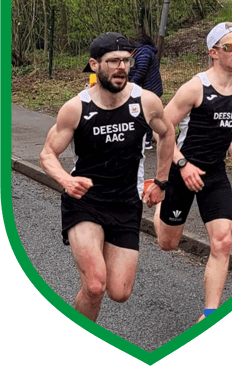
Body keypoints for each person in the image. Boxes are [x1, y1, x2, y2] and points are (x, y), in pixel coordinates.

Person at [40, 32, 174, 322]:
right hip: (85, 202)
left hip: (126, 204)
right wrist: (66, 180)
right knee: (95, 285)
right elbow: (47, 154)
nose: (122, 67)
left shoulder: (147, 102)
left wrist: (161, 181)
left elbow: (167, 134)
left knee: (119, 291)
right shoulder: (77, 108)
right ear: (94, 64)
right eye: (113, 61)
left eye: (126, 60)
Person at [153, 22, 232, 322]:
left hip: (214, 175)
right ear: (213, 53)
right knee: (168, 243)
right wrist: (182, 165)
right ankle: (159, 207)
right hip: (181, 170)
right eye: (229, 47)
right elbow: (162, 130)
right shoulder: (195, 88)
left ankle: (210, 315)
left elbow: (230, 123)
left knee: (223, 240)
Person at [129, 34, 163, 149]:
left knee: (147, 114)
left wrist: (130, 84)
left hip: (150, 88)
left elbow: (141, 71)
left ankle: (147, 140)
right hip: (148, 87)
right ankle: (147, 138)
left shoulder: (143, 53)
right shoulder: (143, 52)